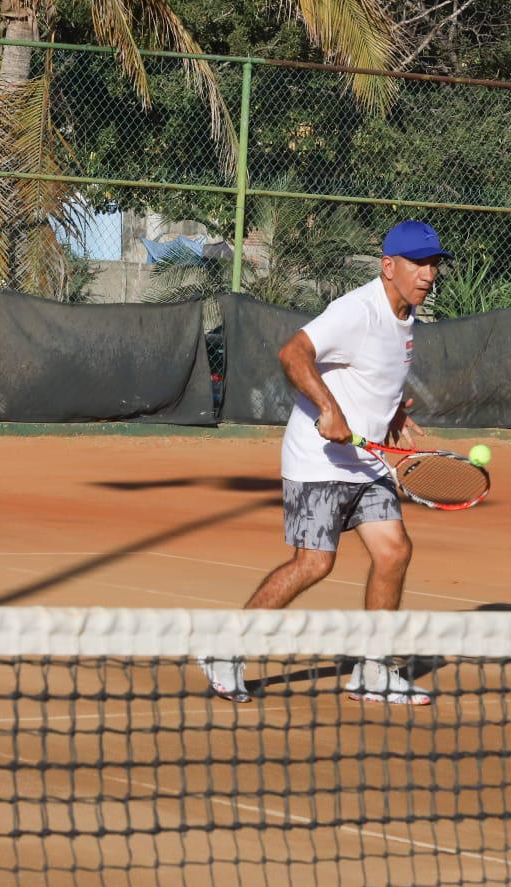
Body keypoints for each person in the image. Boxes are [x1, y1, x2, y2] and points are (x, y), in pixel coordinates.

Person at [200, 220, 450, 705]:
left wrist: (391, 409)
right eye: (418, 264)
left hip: (367, 461)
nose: (428, 274)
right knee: (314, 563)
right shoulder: (357, 310)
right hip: (318, 461)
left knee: (394, 551)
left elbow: (370, 372)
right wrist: (329, 408)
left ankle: (373, 671)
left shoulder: (407, 317)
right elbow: (293, 353)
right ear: (388, 266)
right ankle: (224, 650)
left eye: (434, 264)